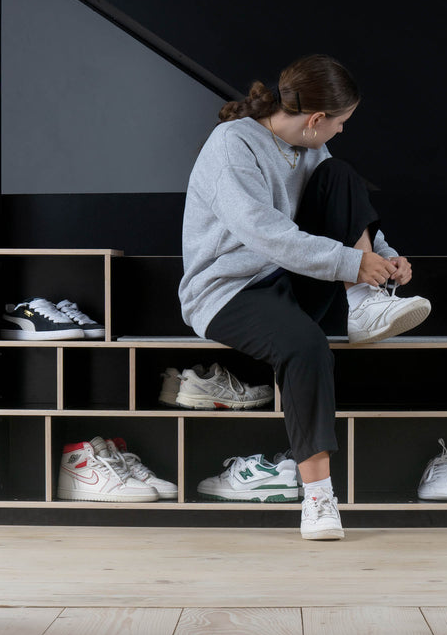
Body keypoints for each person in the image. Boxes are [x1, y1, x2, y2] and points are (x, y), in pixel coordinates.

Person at [178, 53, 431, 540]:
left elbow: (346, 213)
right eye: (340, 122)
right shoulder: (232, 144)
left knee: (341, 177)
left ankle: (365, 303)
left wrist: (384, 258)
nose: (341, 130)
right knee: (306, 346)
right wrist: (353, 264)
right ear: (316, 119)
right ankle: (317, 499)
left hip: (292, 277)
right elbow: (262, 232)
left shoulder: (314, 150)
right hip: (227, 290)